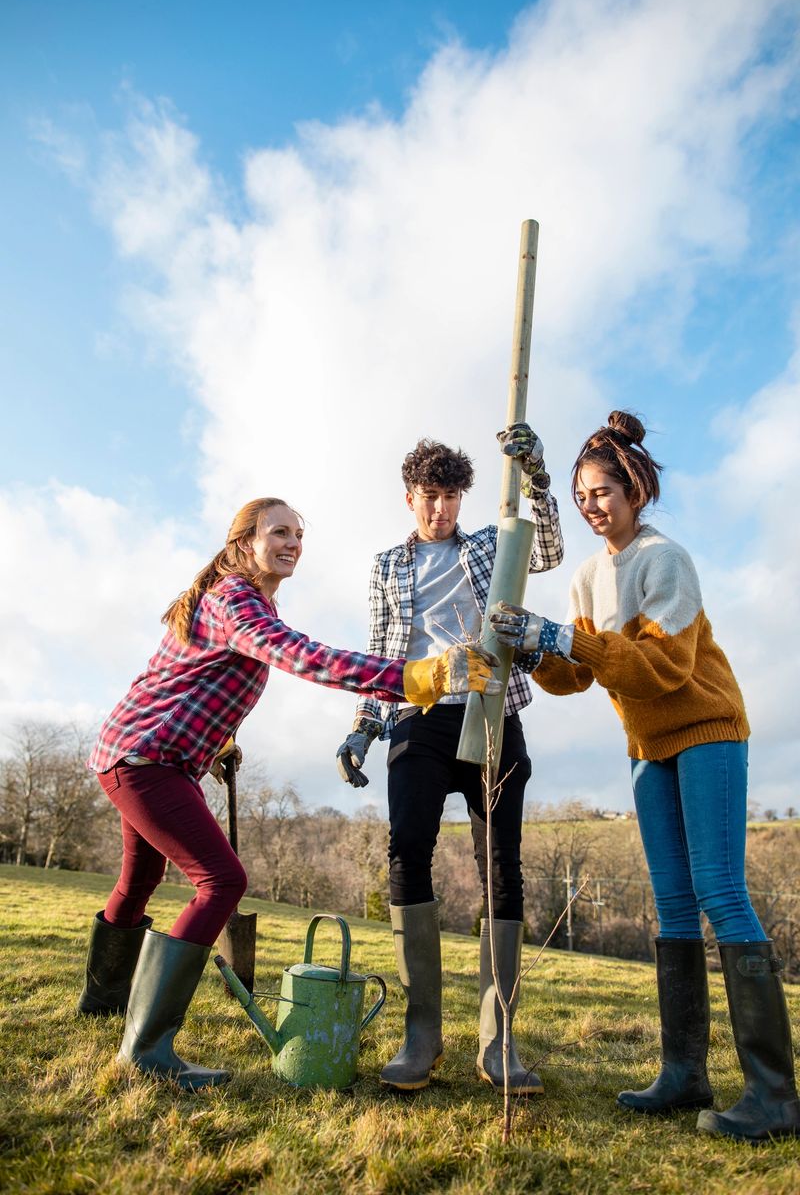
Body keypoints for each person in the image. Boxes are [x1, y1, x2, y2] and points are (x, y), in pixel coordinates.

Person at [78, 496, 500, 1091]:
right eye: (280, 532)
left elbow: (189, 677)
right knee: (221, 881)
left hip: (141, 753)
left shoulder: (237, 600)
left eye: (300, 535)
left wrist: (220, 741)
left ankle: (101, 1004)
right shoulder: (234, 598)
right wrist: (414, 676)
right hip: (147, 760)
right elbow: (302, 657)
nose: (293, 543)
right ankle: (147, 1048)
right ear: (242, 543)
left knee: (138, 882)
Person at [489, 411, 799, 1142]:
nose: (593, 505)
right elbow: (575, 676)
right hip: (645, 745)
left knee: (719, 889)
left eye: (604, 491)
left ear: (635, 489)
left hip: (706, 730)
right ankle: (684, 1073)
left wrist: (564, 639)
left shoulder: (666, 560)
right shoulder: (588, 576)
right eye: (583, 495)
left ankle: (776, 1095)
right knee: (670, 904)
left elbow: (663, 669)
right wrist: (536, 647)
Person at [336, 427, 564, 1093]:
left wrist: (537, 477)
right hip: (419, 714)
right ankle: (421, 1035)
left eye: (452, 497)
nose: (441, 509)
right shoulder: (388, 566)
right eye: (430, 497)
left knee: (501, 861)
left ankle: (499, 1041)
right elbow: (382, 655)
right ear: (410, 497)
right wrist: (363, 729)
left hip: (492, 709)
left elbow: (546, 548)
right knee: (407, 844)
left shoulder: (491, 545)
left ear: (464, 497)